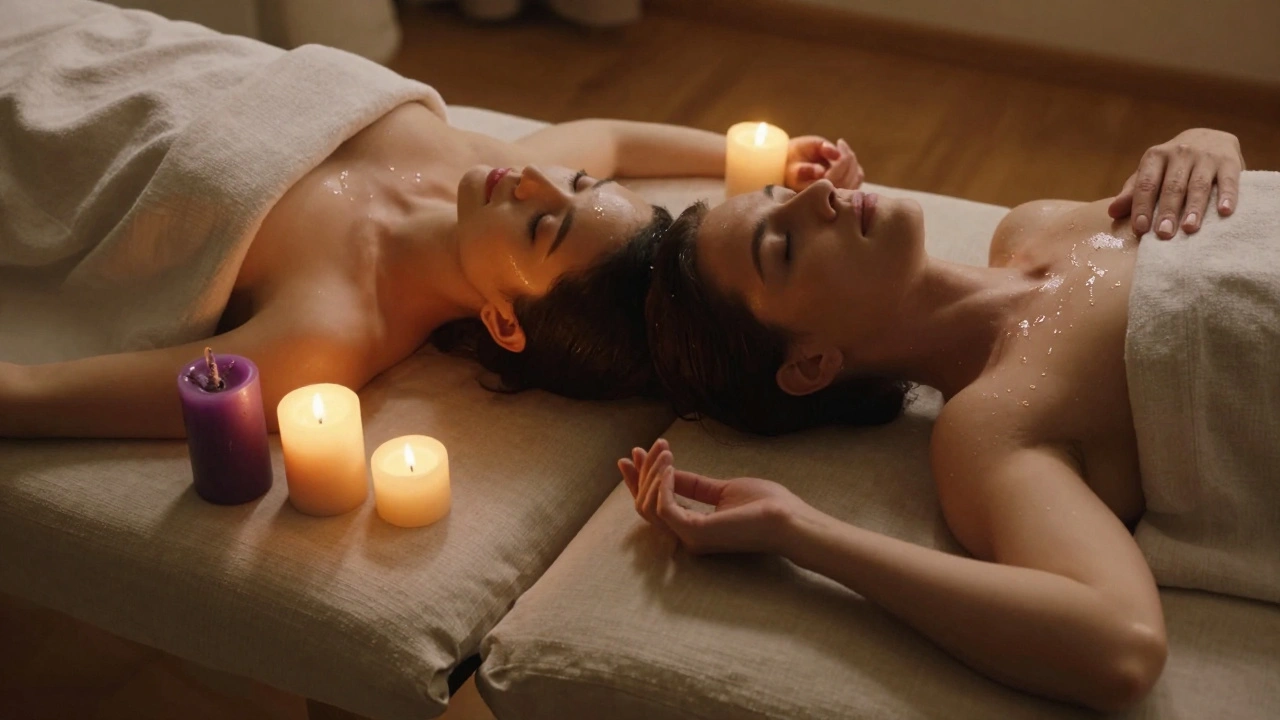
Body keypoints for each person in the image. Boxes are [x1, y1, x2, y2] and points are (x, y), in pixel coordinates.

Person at [0, 5, 869, 440]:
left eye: (543, 230)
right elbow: (606, 135)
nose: (530, 180)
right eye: (569, 184)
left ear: (501, 319)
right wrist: (759, 154)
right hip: (85, 27)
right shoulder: (478, 164)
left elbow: (34, 398)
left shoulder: (326, 337)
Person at [628, 128, 1251, 711]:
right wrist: (799, 532)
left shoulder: (1035, 224)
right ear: (811, 363)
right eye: (784, 246)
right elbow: (1122, 645)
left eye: (788, 194)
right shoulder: (993, 427)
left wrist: (1204, 141)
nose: (819, 192)